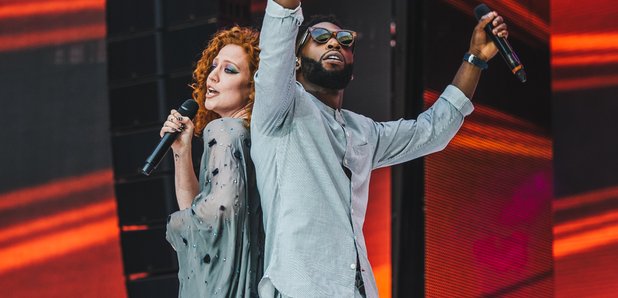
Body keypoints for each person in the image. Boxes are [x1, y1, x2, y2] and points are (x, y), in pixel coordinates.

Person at [251, 0, 510, 297]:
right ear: (294, 60)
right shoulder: (280, 109)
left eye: (345, 39)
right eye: (320, 37)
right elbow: (278, 29)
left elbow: (433, 131)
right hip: (299, 287)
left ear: (352, 70)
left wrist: (475, 57)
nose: (334, 41)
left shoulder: (363, 132)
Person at [163, 26, 263, 297]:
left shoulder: (224, 131)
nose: (214, 75)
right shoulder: (251, 137)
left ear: (252, 87)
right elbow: (207, 212)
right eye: (214, 66)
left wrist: (177, 225)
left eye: (229, 70)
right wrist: (182, 152)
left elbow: (215, 215)